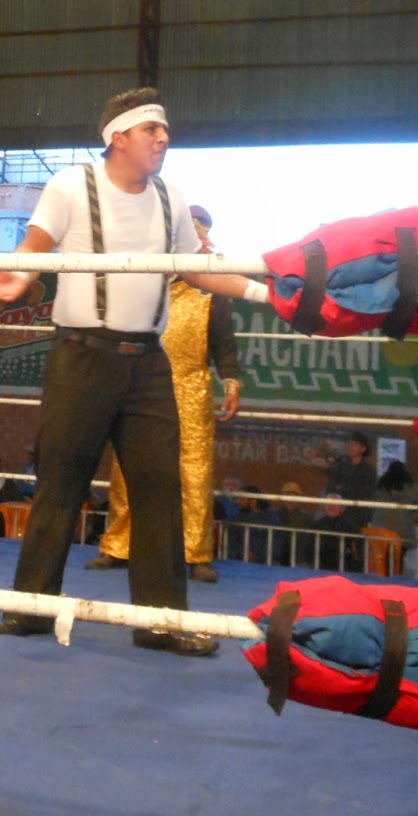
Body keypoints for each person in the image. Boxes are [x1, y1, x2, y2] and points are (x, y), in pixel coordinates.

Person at [0, 87, 268, 657]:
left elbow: (197, 270)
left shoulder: (171, 197)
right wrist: (20, 274)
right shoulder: (71, 185)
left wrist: (265, 292)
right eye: (151, 130)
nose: (164, 138)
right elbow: (36, 243)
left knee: (160, 490)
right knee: (60, 485)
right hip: (82, 357)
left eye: (164, 129)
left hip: (148, 364)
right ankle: (31, 609)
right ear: (119, 137)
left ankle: (161, 622)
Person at [86, 204, 242, 583]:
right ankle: (119, 545)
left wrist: (232, 381)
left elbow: (223, 340)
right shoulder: (140, 278)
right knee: (127, 464)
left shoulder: (209, 289)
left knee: (194, 469)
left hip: (191, 385)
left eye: (201, 234)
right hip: (138, 382)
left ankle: (196, 553)